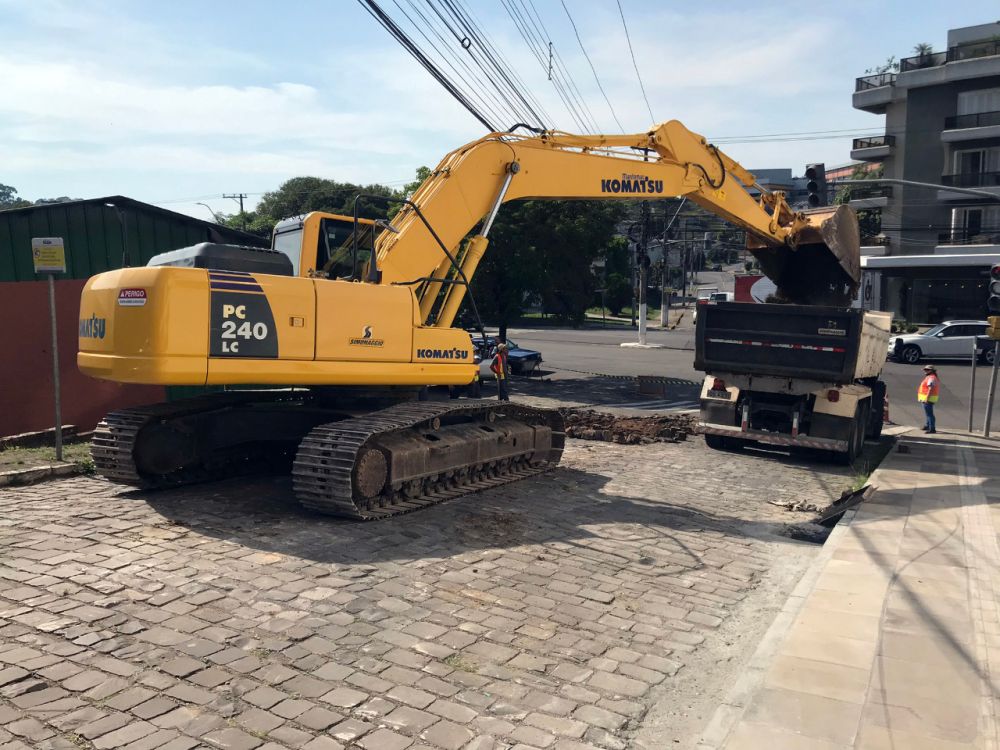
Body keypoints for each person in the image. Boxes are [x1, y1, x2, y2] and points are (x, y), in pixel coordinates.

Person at [917, 364, 940, 433]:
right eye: (925, 370)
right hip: (928, 398)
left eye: (927, 370)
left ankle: (932, 429)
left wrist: (927, 398)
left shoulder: (931, 378)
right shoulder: (931, 377)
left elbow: (930, 388)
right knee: (928, 413)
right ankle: (928, 426)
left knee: (929, 414)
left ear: (931, 371)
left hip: (928, 398)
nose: (925, 371)